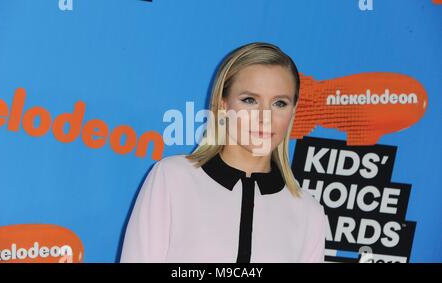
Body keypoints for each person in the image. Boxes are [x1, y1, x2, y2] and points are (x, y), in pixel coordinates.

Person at [120, 42, 327, 263]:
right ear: (223, 105)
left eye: (279, 103)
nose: (264, 117)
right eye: (250, 100)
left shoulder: (308, 212)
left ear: (293, 111)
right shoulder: (172, 178)